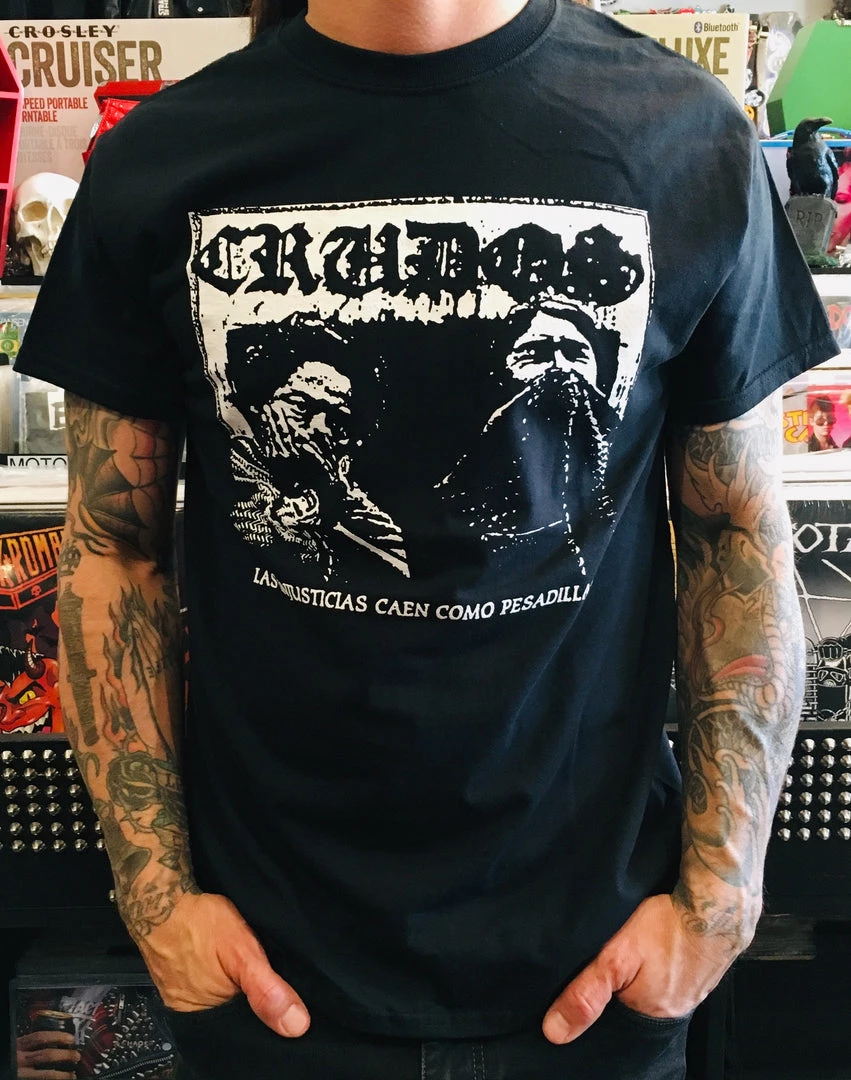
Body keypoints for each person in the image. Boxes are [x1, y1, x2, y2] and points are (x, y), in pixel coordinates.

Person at [13, 1, 839, 1078]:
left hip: (597, 968)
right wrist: (158, 900)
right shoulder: (161, 157)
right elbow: (112, 547)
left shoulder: (681, 133)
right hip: (267, 973)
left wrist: (717, 900)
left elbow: (735, 530)